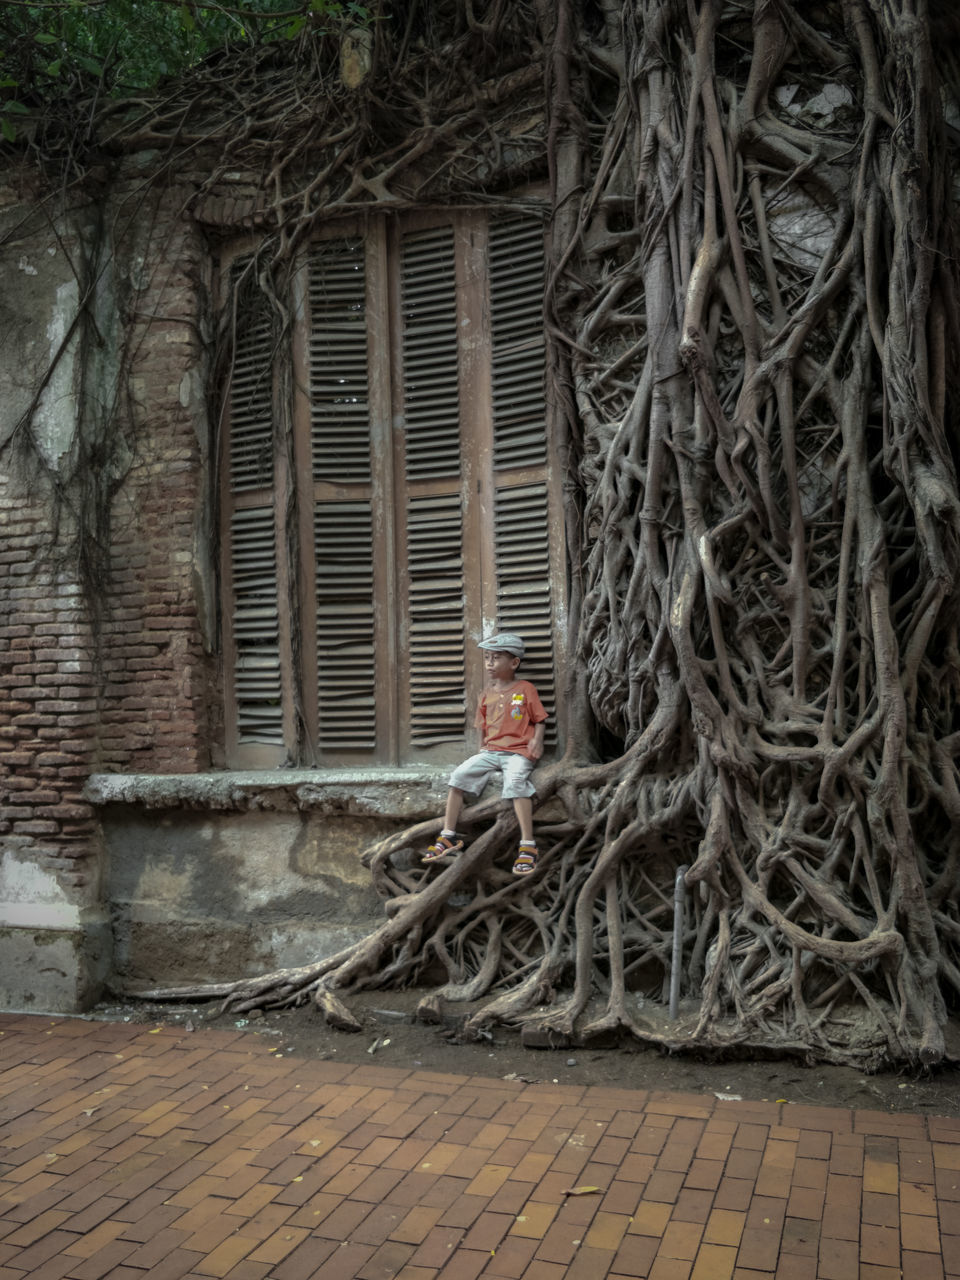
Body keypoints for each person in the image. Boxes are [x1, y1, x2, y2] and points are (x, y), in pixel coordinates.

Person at [423, 633, 547, 876]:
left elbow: (540, 720)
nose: (489, 663)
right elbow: (482, 726)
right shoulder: (486, 693)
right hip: (491, 751)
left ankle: (528, 845)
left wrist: (537, 741)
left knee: (516, 783)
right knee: (458, 777)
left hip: (518, 752)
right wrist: (482, 750)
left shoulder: (526, 689)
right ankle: (448, 835)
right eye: (487, 658)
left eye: (496, 658)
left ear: (514, 663)